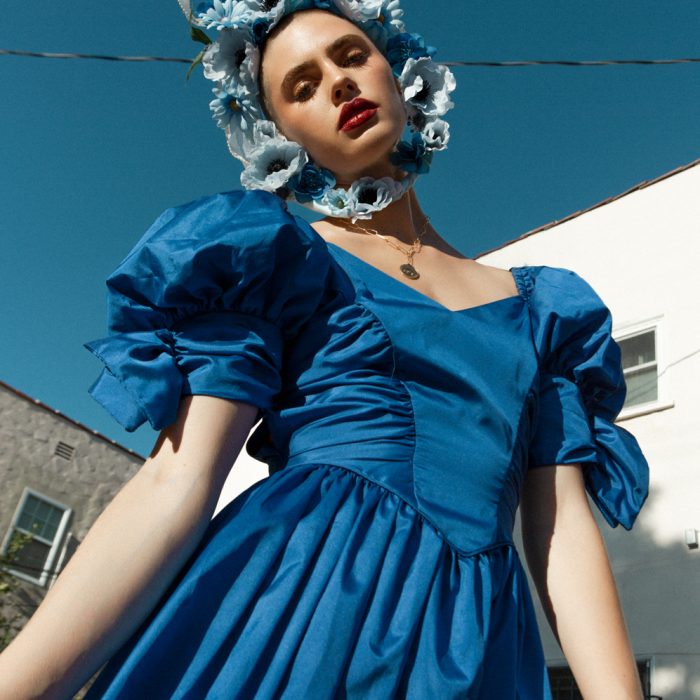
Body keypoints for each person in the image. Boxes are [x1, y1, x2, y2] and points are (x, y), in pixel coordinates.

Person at [0, 1, 649, 698]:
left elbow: (561, 530)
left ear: (399, 71)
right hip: (300, 612)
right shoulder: (270, 261)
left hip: (476, 638)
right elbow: (175, 483)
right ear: (278, 135)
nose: (338, 83)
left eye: (350, 56)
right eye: (302, 86)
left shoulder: (546, 312)